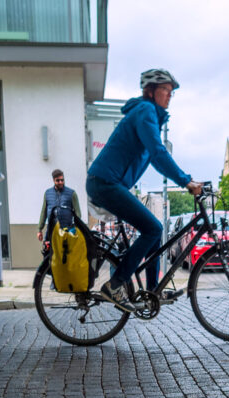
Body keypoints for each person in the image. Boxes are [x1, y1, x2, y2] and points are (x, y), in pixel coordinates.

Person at [86, 68, 203, 313]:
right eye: (165, 90)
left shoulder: (149, 116)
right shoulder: (145, 112)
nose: (169, 96)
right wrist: (186, 182)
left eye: (171, 92)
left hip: (108, 183)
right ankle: (115, 283)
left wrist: (187, 179)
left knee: (153, 231)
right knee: (153, 229)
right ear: (150, 91)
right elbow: (159, 153)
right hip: (105, 182)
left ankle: (152, 292)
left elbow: (158, 159)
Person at [37, 169, 82, 242]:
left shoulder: (72, 194)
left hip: (68, 232)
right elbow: (43, 212)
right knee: (47, 251)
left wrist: (74, 229)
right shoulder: (47, 193)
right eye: (58, 180)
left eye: (62, 180)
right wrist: (39, 230)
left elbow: (78, 214)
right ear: (53, 180)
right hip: (52, 231)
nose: (60, 182)